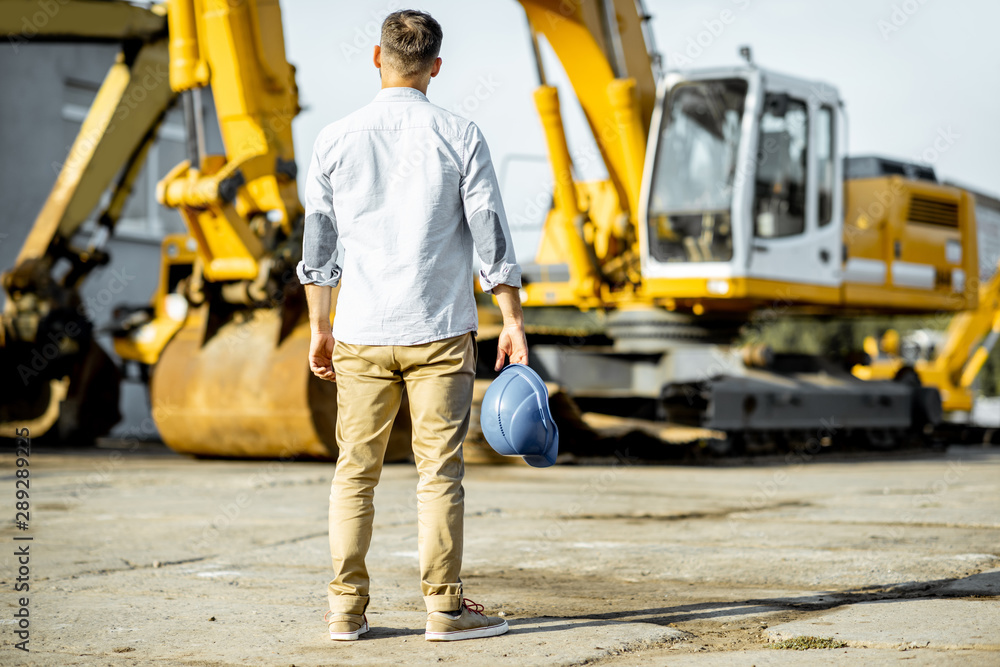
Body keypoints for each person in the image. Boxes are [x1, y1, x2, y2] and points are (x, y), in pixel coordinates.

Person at [296, 9, 527, 642]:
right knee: (440, 474)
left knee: (355, 472)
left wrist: (321, 328)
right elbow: (490, 235)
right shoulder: (461, 134)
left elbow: (318, 252)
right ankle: (444, 611)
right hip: (440, 330)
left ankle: (345, 611)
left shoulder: (335, 139)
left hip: (360, 333)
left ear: (377, 59)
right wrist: (511, 319)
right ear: (436, 66)